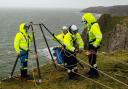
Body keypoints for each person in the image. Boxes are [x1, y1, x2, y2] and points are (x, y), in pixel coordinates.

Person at [82, 13, 102, 78]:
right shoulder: (90, 25)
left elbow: (99, 37)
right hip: (90, 45)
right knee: (90, 59)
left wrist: (94, 45)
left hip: (93, 46)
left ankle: (95, 74)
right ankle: (91, 71)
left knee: (92, 60)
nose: (85, 23)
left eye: (85, 21)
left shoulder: (94, 26)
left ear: (88, 19)